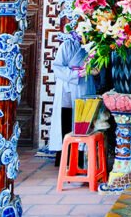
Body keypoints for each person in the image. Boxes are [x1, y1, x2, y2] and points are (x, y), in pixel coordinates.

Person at [48, 31, 96, 165]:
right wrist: (78, 73)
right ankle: (65, 158)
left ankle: (81, 157)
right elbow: (58, 68)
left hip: (85, 86)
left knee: (83, 120)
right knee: (67, 120)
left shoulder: (93, 47)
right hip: (68, 88)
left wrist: (93, 71)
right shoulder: (67, 45)